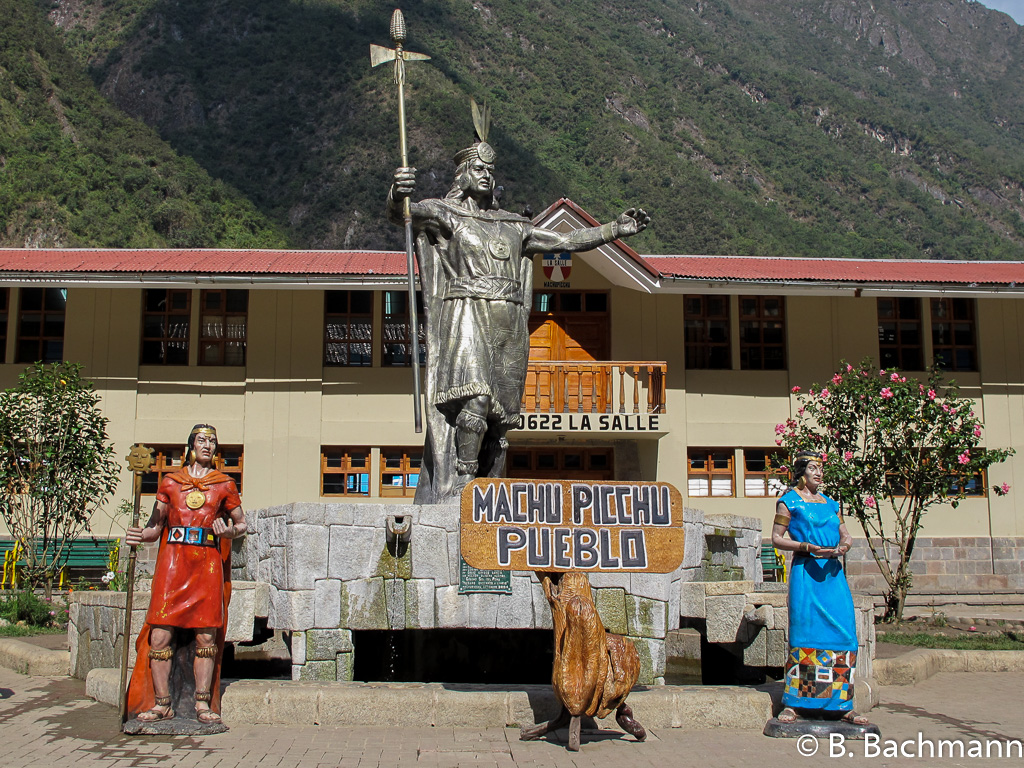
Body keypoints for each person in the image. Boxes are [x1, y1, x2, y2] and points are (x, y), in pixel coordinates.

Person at [388, 119, 649, 504]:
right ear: (462, 175)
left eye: (491, 171)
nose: (486, 176)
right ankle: (461, 482)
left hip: (508, 322)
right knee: (474, 399)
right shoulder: (447, 215)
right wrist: (398, 192)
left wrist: (614, 229)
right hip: (468, 314)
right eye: (478, 169)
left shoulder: (514, 225)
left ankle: (489, 485)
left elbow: (565, 239)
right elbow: (405, 214)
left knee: (500, 418)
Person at [124, 424, 247, 726]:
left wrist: (228, 530)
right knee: (160, 635)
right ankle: (162, 704)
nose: (208, 445)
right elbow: (155, 526)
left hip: (206, 564)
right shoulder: (170, 482)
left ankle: (202, 704)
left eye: (213, 441)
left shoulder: (224, 484)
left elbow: (242, 524)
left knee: (206, 635)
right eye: (202, 440)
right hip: (173, 563)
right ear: (191, 445)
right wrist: (140, 535)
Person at [771, 450, 869, 726]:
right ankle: (796, 703)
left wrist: (844, 547)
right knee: (805, 634)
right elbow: (777, 538)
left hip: (832, 574)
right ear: (801, 472)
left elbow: (845, 534)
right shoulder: (789, 502)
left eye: (820, 469)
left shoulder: (830, 504)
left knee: (845, 633)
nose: (819, 473)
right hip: (807, 572)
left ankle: (842, 704)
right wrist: (806, 547)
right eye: (813, 468)